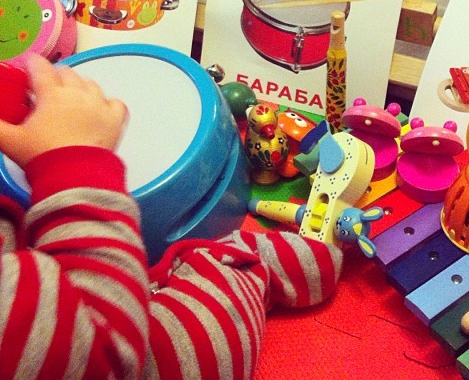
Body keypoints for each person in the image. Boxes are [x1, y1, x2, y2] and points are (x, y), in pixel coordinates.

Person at [0, 54, 343, 379]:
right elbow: (105, 350)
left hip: (29, 280)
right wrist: (74, 162)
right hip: (103, 350)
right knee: (207, 312)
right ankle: (255, 265)